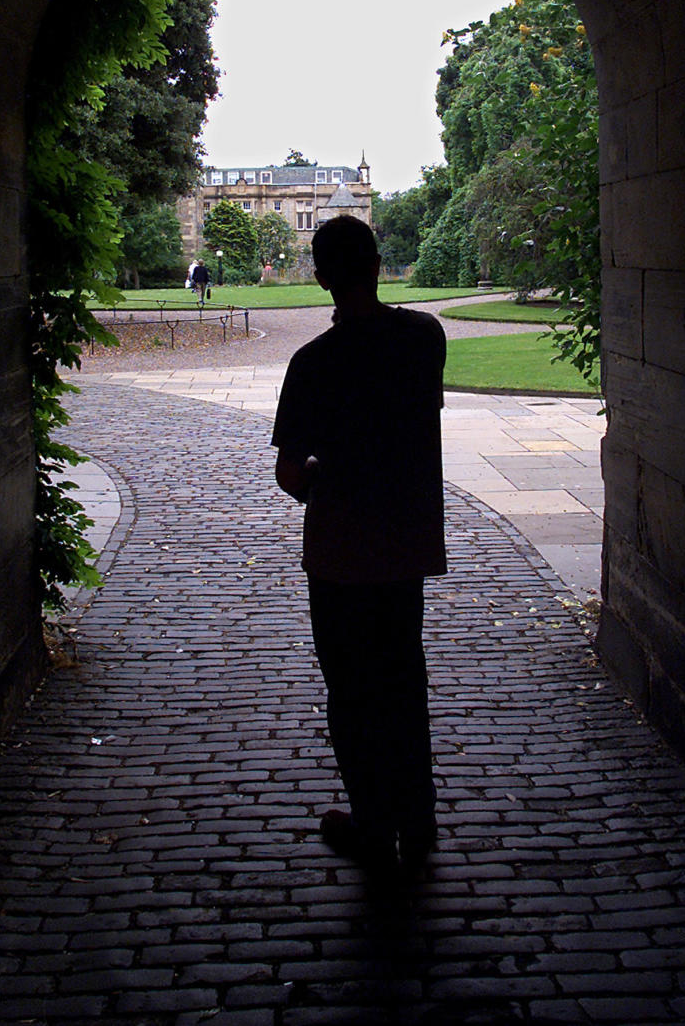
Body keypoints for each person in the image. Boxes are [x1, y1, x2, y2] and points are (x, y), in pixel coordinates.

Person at [272, 214, 446, 873]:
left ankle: (373, 821)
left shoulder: (313, 363)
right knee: (404, 678)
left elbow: (292, 473)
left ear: (320, 278)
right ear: (378, 263)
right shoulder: (425, 338)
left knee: (351, 689)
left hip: (343, 549)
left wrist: (320, 474)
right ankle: (419, 818)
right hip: (406, 539)